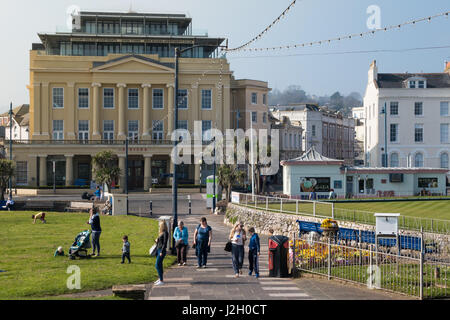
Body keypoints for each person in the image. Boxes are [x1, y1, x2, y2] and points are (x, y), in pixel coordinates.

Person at [154, 220, 169, 286]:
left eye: (159, 225)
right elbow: (161, 242)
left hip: (161, 251)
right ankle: (160, 278)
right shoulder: (162, 233)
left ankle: (161, 280)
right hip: (158, 249)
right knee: (159, 265)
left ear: (162, 226)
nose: (159, 226)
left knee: (157, 265)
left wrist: (162, 252)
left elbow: (165, 243)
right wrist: (157, 241)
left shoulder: (165, 233)